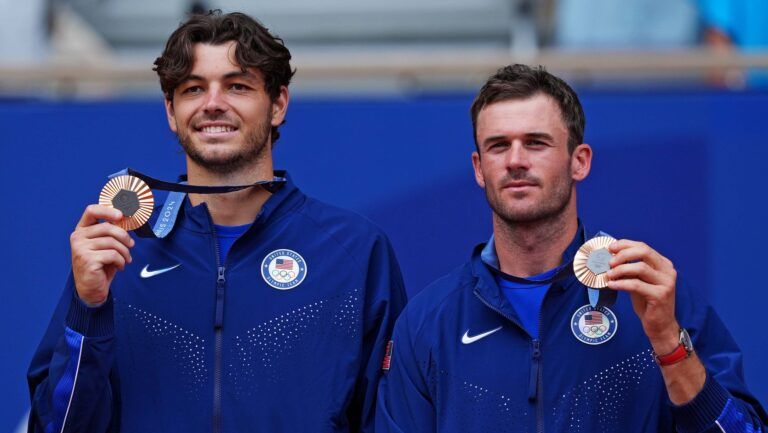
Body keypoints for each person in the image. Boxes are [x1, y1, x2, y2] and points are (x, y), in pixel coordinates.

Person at [28, 11, 406, 433]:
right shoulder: (120, 251)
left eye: (237, 86)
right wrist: (89, 308)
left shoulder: (354, 251)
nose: (213, 103)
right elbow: (56, 426)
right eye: (193, 89)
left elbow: (391, 419)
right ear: (171, 111)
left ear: (278, 104)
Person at [376, 64, 766, 432]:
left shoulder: (651, 297)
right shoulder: (427, 323)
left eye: (536, 143)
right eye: (498, 146)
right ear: (479, 168)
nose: (515, 161)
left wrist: (667, 341)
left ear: (579, 161)